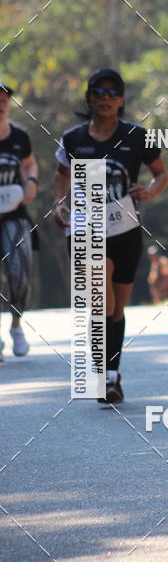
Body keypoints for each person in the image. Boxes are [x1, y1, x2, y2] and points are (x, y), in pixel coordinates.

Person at [53, 69, 168, 403]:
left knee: (116, 308)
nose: (105, 98)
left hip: (125, 230)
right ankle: (104, 375)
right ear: (89, 98)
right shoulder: (73, 139)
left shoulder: (136, 136)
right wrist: (60, 205)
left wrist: (149, 191)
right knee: (102, 301)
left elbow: (160, 174)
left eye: (112, 92)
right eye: (99, 92)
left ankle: (112, 374)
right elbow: (61, 175)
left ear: (121, 100)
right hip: (86, 230)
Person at [0, 80, 39, 360]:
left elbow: (29, 163)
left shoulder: (19, 137)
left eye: (4, 100)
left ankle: (16, 326)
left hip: (15, 217)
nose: (0, 104)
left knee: (19, 274)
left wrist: (31, 184)